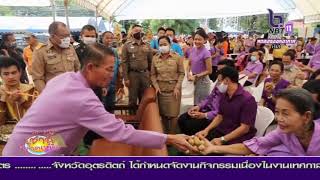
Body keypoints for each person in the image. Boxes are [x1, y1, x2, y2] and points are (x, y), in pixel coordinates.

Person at [2, 44, 196, 156]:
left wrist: (67, 146)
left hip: (27, 145)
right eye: (109, 69)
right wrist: (169, 138)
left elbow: (56, 124)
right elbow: (120, 133)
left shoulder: (65, 79)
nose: (113, 75)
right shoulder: (83, 99)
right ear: (90, 68)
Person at [196, 88, 320, 156]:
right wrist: (214, 148)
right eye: (277, 112)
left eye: (285, 113)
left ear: (306, 116)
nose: (279, 118)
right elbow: (254, 145)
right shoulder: (282, 132)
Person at [196, 67, 257, 145]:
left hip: (237, 137)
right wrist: (206, 130)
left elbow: (244, 128)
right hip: (222, 131)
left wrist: (222, 139)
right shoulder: (224, 95)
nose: (217, 84)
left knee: (204, 152)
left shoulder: (248, 100)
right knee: (195, 145)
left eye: (219, 81)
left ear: (227, 80)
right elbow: (220, 116)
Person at [178, 61, 234, 136]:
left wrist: (204, 115)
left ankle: (193, 140)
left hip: (214, 116)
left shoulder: (230, 91)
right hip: (207, 110)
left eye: (222, 70)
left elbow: (221, 113)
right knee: (182, 118)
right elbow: (209, 98)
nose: (219, 73)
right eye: (218, 70)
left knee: (190, 125)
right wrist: (198, 106)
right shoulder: (219, 84)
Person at [32, 21, 81, 93]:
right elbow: (38, 78)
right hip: (54, 94)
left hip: (72, 91)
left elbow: (78, 69)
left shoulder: (70, 48)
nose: (67, 39)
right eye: (63, 36)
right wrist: (46, 96)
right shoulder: (40, 51)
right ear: (52, 36)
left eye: (68, 35)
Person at [150, 36, 184, 133]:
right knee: (163, 114)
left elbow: (182, 73)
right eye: (160, 45)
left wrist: (177, 87)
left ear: (170, 45)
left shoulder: (177, 57)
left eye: (165, 44)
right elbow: (152, 75)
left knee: (173, 115)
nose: (163, 46)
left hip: (174, 90)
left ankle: (172, 134)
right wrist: (156, 87)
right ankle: (166, 135)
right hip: (161, 90)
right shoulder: (155, 58)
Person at [0, 57, 37, 142]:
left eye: (14, 73)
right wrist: (3, 100)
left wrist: (21, 100)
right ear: (1, 76)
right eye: (6, 74)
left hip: (32, 132)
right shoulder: (1, 92)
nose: (11, 77)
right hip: (6, 137)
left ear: (20, 72)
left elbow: (39, 116)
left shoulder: (32, 90)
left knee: (58, 141)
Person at [122, 24, 153, 110]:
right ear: (131, 32)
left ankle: (143, 119)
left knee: (145, 98)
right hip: (133, 75)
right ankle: (132, 121)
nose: (138, 32)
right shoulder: (126, 45)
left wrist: (151, 75)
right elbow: (124, 63)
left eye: (140, 31)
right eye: (136, 31)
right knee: (132, 99)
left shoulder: (147, 45)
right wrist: (126, 78)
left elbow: (151, 62)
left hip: (145, 75)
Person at [187, 29, 212, 104]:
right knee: (195, 101)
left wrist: (196, 76)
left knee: (201, 104)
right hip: (194, 79)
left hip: (203, 81)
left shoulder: (206, 53)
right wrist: (188, 73)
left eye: (199, 39)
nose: (197, 41)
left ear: (205, 40)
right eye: (195, 39)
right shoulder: (193, 50)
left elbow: (209, 71)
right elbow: (189, 63)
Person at [101, 31, 124, 112]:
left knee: (111, 106)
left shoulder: (114, 51)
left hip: (113, 84)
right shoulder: (99, 51)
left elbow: (117, 67)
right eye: (107, 38)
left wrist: (120, 84)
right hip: (102, 84)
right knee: (102, 107)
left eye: (111, 38)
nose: (109, 40)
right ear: (102, 38)